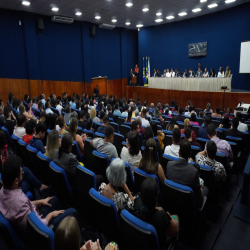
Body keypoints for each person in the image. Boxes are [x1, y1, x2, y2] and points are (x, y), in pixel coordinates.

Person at [0, 156, 77, 239]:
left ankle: (59, 237)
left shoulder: (3, 190)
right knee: (73, 212)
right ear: (16, 181)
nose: (23, 175)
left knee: (54, 199)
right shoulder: (19, 203)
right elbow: (38, 227)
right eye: (22, 173)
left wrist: (41, 201)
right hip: (40, 231)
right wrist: (51, 215)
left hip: (35, 215)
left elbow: (26, 204)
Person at [134, 178, 179, 249]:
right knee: (176, 217)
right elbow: (175, 230)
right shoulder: (162, 216)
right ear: (157, 195)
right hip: (159, 245)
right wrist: (169, 216)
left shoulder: (136, 204)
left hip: (141, 243)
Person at [166, 139, 206, 208]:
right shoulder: (194, 172)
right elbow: (199, 199)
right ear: (190, 154)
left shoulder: (169, 165)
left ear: (179, 152)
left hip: (171, 205)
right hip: (187, 210)